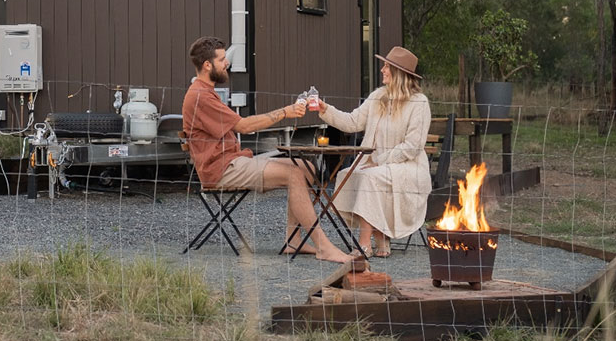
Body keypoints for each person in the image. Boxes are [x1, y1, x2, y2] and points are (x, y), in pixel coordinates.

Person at [182, 36, 352, 263]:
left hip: (232, 161)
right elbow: (244, 126)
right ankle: (324, 247)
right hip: (221, 170)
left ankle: (294, 239)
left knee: (305, 167)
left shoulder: (206, 91)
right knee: (293, 173)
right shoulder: (201, 95)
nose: (227, 64)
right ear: (207, 65)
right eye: (222, 60)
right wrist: (285, 112)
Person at [317, 46, 431, 258]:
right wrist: (325, 110)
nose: (382, 70)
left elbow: (413, 146)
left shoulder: (419, 103)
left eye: (387, 66)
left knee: (369, 178)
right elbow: (353, 121)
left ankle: (364, 244)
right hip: (376, 165)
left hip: (408, 167)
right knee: (348, 174)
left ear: (399, 73)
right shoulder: (378, 96)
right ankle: (381, 237)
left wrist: (381, 161)